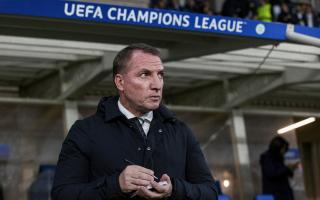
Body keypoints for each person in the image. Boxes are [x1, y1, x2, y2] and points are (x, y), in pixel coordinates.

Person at [52, 43, 218, 199]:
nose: (157, 85)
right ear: (120, 82)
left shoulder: (180, 131)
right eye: (144, 75)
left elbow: (210, 193)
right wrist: (116, 184)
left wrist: (174, 189)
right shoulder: (85, 131)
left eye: (160, 75)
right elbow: (62, 194)